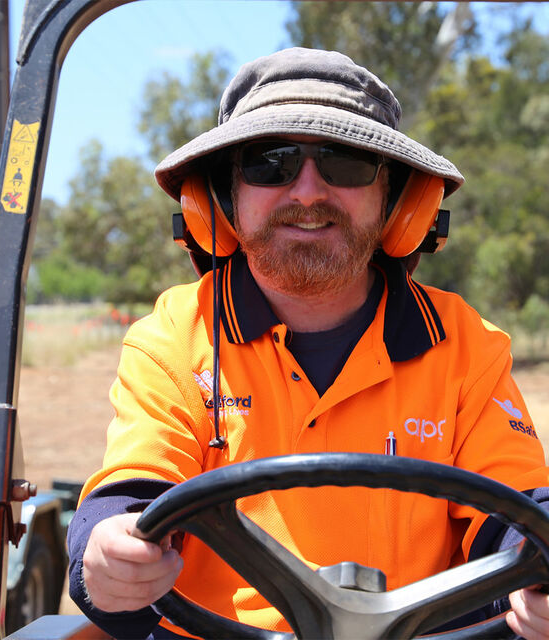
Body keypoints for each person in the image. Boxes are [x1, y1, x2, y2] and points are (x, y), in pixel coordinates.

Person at [66, 47, 549, 639]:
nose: (308, 192)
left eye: (346, 163)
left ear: (397, 201)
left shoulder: (467, 346)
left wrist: (537, 578)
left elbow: (515, 513)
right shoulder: (171, 337)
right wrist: (109, 551)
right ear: (222, 201)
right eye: (271, 163)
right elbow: (132, 494)